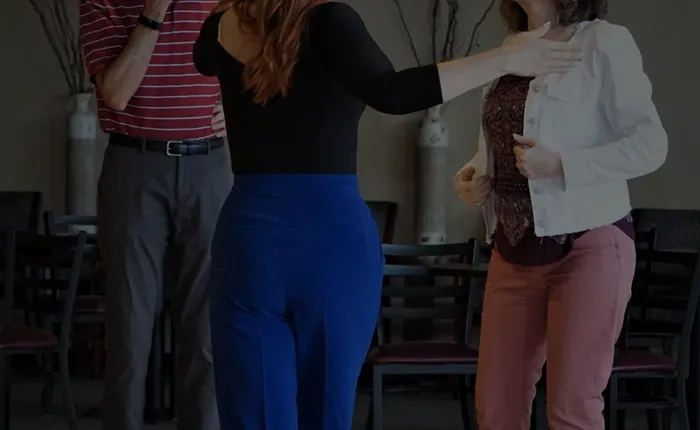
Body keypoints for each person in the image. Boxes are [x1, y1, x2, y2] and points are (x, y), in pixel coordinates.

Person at [191, 0, 582, 429]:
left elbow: (206, 62)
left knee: (254, 414)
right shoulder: (330, 20)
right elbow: (392, 93)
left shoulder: (221, 27)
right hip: (330, 243)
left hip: (249, 240)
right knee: (325, 411)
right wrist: (504, 58)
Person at [453, 0, 668, 429]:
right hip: (512, 249)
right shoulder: (510, 48)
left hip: (588, 246)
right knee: (496, 409)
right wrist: (471, 177)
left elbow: (651, 145)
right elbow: (496, 143)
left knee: (572, 410)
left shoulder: (604, 42)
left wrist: (562, 165)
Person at [78, 1, 230, 429]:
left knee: (206, 330)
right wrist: (154, 12)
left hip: (208, 166)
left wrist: (242, 102)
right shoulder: (101, 2)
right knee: (130, 328)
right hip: (135, 166)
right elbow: (116, 94)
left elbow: (263, 59)